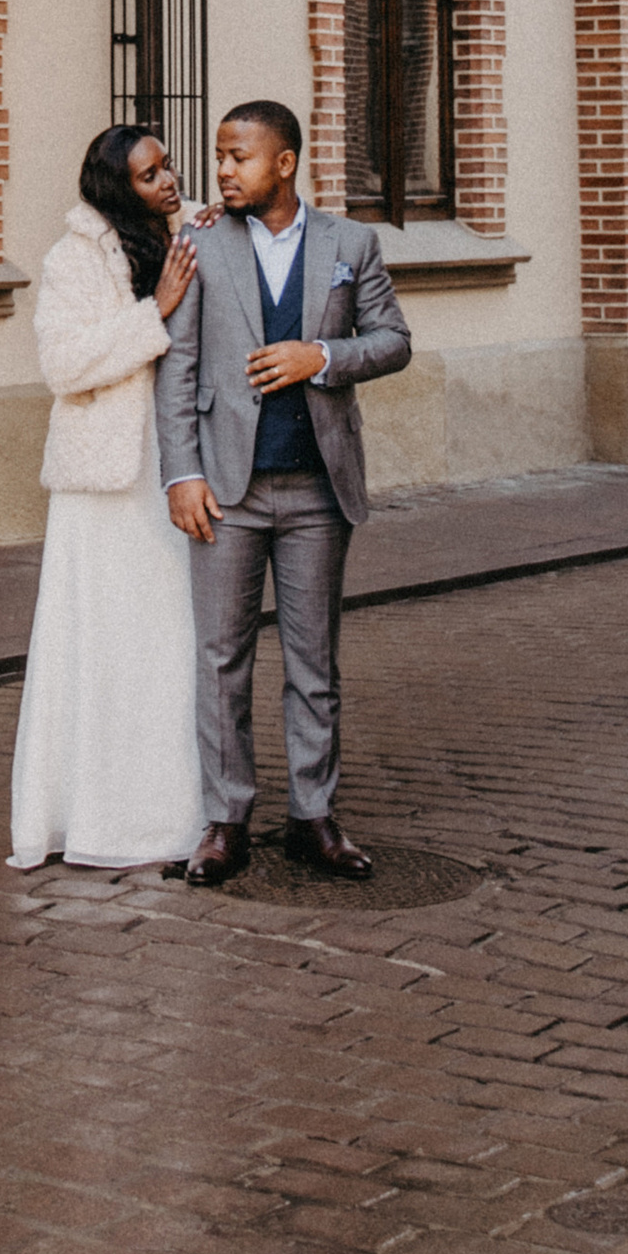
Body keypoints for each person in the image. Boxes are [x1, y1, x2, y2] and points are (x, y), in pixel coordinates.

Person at [156, 98, 411, 885]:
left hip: (317, 491)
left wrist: (321, 357)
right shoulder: (199, 240)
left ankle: (313, 817)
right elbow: (179, 367)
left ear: (286, 163)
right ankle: (226, 821)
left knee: (313, 662)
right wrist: (183, 473)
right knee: (222, 657)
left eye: (239, 157)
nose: (224, 170)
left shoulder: (350, 243)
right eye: (220, 157)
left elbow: (394, 340)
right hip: (227, 492)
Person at [7, 124, 208, 871]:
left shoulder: (184, 239)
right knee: (101, 644)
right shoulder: (73, 259)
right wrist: (153, 311)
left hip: (173, 469)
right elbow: (65, 364)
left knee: (166, 645)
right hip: (103, 481)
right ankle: (90, 816)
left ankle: (169, 816)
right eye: (149, 173)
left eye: (167, 166)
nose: (168, 180)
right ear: (116, 186)